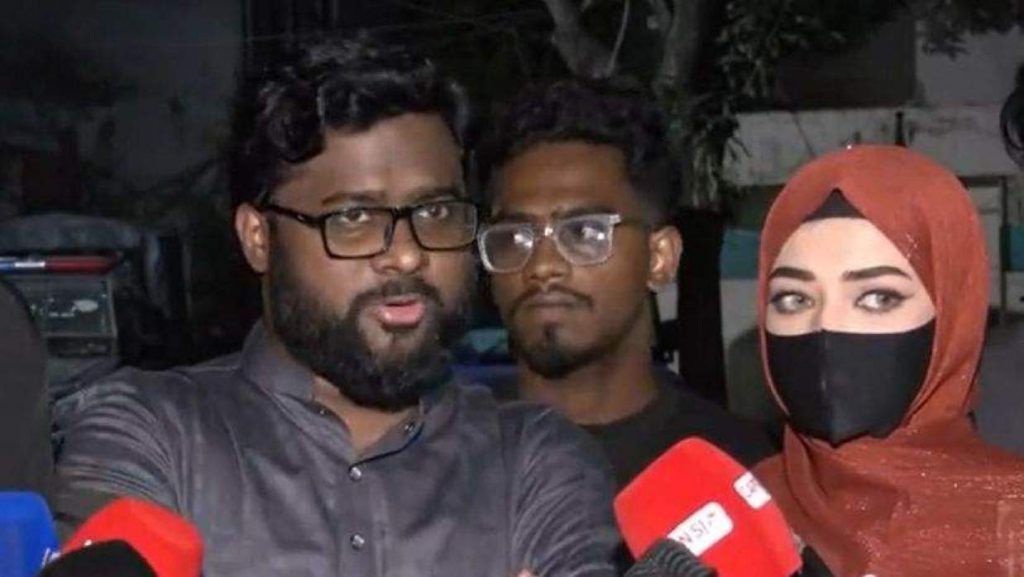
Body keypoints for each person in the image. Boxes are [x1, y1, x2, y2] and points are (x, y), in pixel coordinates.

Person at [51, 36, 619, 577]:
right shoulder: (152, 433)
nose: (407, 255)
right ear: (258, 238)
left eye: (436, 213)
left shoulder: (535, 461)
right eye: (353, 218)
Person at [477, 78, 775, 492]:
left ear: (660, 258)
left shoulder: (739, 472)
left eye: (584, 232)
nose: (542, 266)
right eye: (513, 237)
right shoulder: (438, 462)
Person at [752, 145, 1024, 577]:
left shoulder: (1013, 523)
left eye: (878, 297)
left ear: (952, 314)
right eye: (794, 299)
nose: (825, 326)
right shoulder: (727, 518)